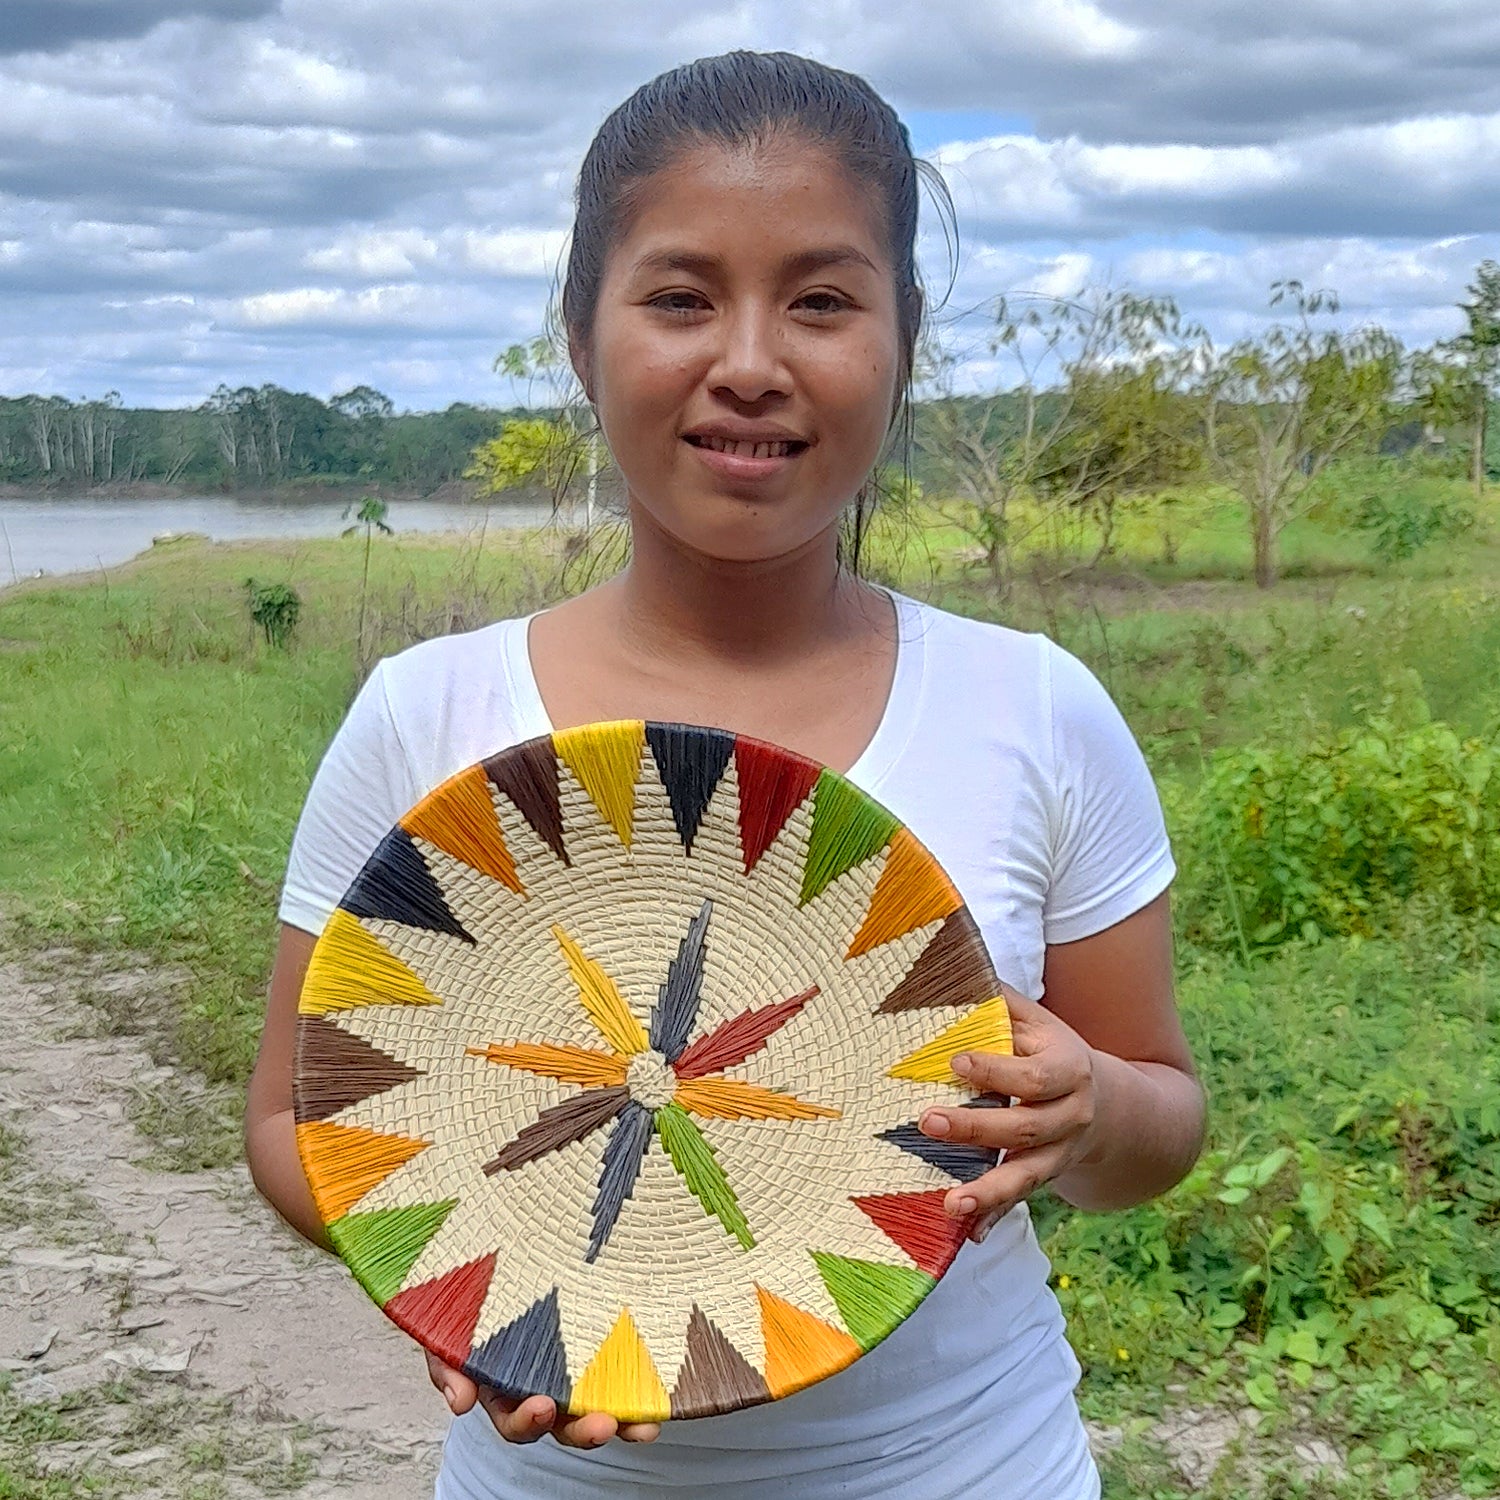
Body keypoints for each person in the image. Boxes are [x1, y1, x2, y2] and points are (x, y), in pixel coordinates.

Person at [245, 50, 1206, 1500]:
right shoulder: (424, 711)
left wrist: (1098, 1115)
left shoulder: (1036, 708)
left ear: (901, 340)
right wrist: (439, 1276)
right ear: (582, 339)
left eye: (822, 299)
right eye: (681, 296)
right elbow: (292, 1120)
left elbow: (1160, 1121)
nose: (750, 360)